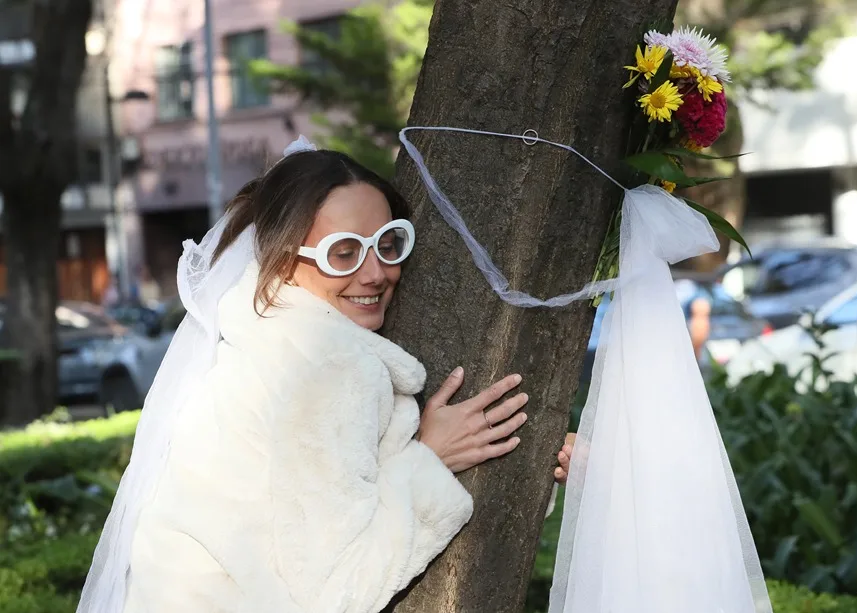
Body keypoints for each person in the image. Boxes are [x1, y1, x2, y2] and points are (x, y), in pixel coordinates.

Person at [79, 139, 573, 613]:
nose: (375, 272)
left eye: (388, 243)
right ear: (285, 259)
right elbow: (339, 593)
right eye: (344, 252)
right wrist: (431, 458)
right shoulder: (323, 370)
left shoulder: (261, 344)